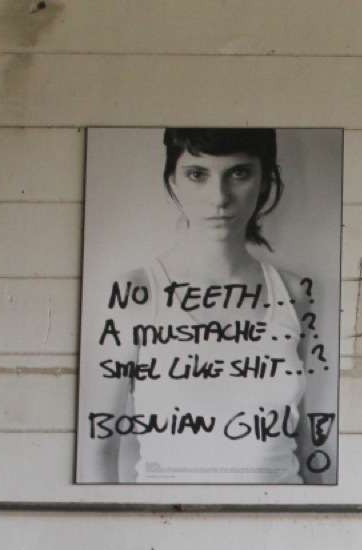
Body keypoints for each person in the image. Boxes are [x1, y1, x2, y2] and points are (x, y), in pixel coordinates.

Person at [84, 128, 328, 485]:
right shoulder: (134, 293)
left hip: (279, 513)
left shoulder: (294, 293)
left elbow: (305, 440)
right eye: (197, 174)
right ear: (173, 181)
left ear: (264, 180)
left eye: (239, 173)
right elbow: (99, 450)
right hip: (169, 514)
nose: (219, 197)